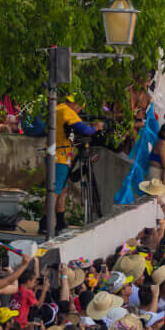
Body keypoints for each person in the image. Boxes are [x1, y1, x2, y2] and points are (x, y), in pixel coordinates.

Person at [51, 93, 102, 233]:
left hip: (59, 156)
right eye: (80, 108)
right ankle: (47, 224)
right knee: (54, 193)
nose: (79, 111)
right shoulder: (67, 111)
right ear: (75, 104)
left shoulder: (58, 108)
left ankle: (60, 223)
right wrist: (96, 127)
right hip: (59, 158)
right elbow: (85, 130)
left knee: (61, 191)